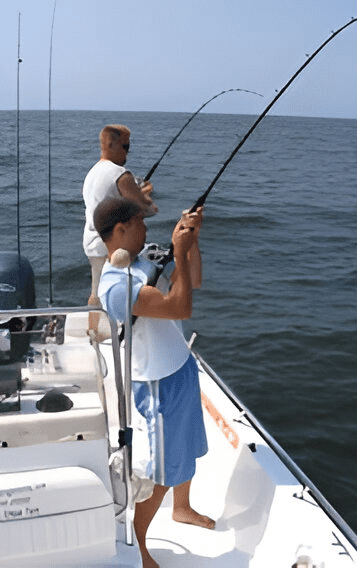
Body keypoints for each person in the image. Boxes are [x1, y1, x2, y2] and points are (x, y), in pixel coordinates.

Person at [94, 196, 215, 568]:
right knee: (162, 473)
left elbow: (192, 281)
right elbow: (181, 308)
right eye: (140, 222)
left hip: (179, 367)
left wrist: (190, 242)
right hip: (156, 384)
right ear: (120, 230)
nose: (147, 228)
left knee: (188, 449)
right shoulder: (115, 287)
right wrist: (178, 250)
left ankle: (183, 508)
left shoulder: (142, 258)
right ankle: (140, 545)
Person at [82, 124, 158, 313]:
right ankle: (113, 333)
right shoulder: (120, 174)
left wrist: (136, 193)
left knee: (97, 292)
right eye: (125, 147)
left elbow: (112, 204)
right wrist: (147, 194)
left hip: (92, 243)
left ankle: (95, 333)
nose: (127, 153)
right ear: (109, 145)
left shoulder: (92, 173)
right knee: (112, 294)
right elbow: (148, 210)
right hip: (111, 244)